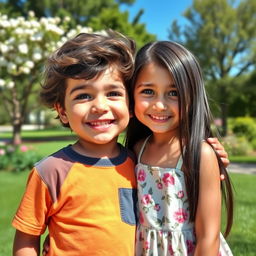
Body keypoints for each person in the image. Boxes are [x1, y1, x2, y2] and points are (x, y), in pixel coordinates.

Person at [12, 31, 138, 256]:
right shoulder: (50, 171)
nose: (99, 106)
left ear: (130, 105)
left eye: (113, 93)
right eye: (83, 96)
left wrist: (210, 157)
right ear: (62, 111)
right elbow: (26, 239)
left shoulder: (139, 162)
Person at [125, 41, 234, 255]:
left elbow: (208, 237)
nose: (159, 104)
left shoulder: (199, 155)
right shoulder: (137, 150)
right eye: (148, 91)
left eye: (174, 93)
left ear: (192, 97)